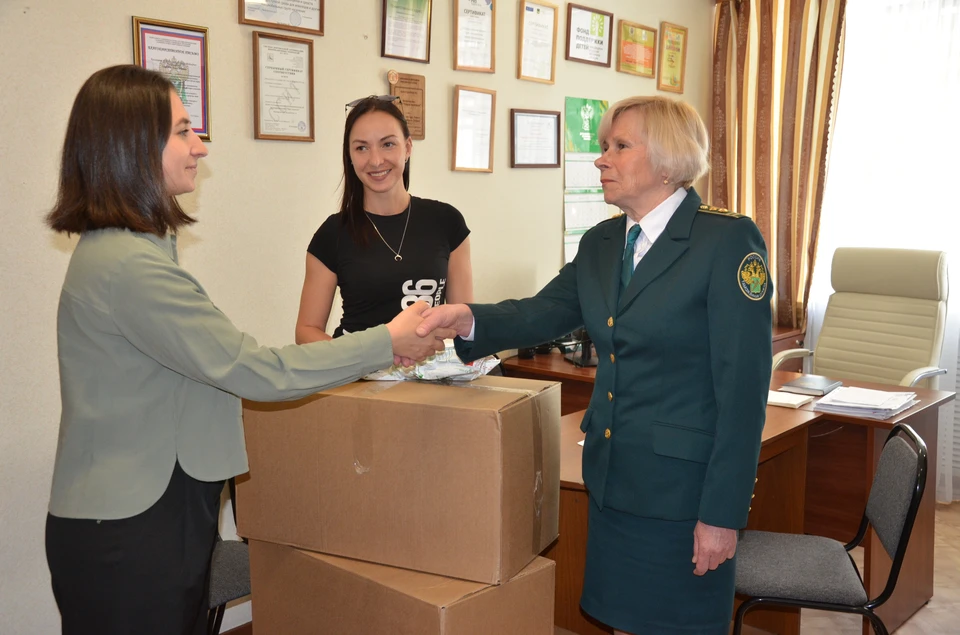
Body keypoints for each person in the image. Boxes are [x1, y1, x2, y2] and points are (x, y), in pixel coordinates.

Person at [43, 65, 452, 635]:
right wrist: (387, 340)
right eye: (183, 132)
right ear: (134, 147)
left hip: (154, 509)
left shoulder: (136, 250)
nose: (199, 148)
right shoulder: (131, 268)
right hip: (132, 528)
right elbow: (257, 370)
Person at [418, 96, 772, 635]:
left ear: (667, 160)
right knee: (623, 624)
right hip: (615, 479)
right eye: (604, 146)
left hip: (682, 495)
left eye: (619, 146)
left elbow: (744, 391)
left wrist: (722, 515)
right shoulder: (604, 241)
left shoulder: (724, 241)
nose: (601, 159)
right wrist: (467, 318)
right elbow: (545, 311)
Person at [295, 95, 473, 343]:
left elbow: (463, 322)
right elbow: (306, 331)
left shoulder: (447, 222)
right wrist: (361, 359)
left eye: (388, 144)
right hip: (360, 376)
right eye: (361, 148)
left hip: (431, 373)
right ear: (349, 155)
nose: (376, 160)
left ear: (408, 147)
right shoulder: (332, 233)